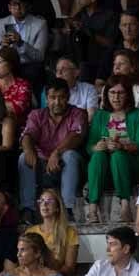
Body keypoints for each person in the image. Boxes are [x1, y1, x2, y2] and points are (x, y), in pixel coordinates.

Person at [84, 77, 139, 224]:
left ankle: (125, 206)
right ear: (106, 95)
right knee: (97, 156)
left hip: (132, 167)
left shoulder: (138, 115)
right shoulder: (100, 115)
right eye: (112, 93)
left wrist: (122, 146)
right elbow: (89, 146)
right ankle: (92, 209)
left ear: (128, 94)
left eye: (120, 93)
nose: (116, 97)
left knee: (118, 155)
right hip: (105, 169)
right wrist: (98, 146)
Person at [18, 79, 87, 217]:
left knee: (70, 156)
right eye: (52, 97)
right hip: (42, 165)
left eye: (61, 97)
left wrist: (56, 153)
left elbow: (76, 136)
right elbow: (27, 135)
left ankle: (68, 209)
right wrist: (28, 150)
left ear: (68, 97)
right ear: (46, 98)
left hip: (67, 165)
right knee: (23, 157)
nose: (57, 102)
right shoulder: (37, 115)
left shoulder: (78, 113)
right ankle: (28, 210)